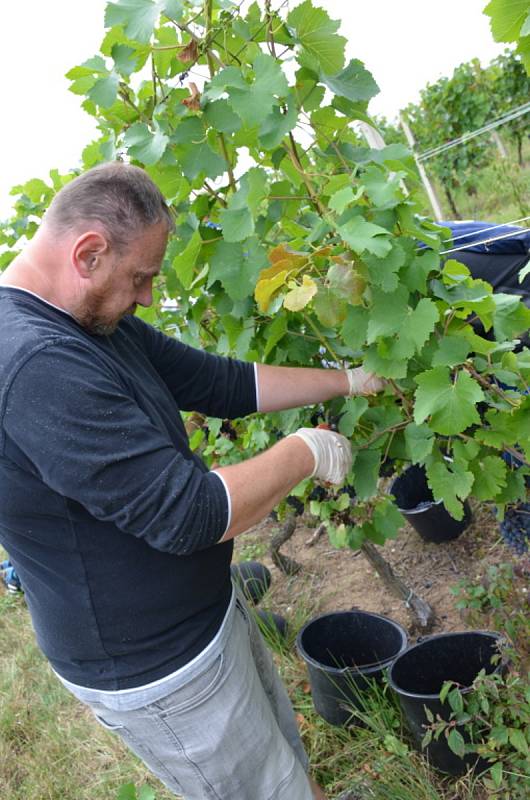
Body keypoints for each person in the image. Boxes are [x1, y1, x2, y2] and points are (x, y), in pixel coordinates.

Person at [0, 162, 383, 800]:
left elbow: (219, 382)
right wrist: (304, 451)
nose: (149, 295)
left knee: (283, 770)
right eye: (141, 277)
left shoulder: (83, 317)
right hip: (159, 666)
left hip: (200, 617)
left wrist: (348, 380)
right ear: (89, 253)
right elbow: (188, 515)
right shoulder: (37, 362)